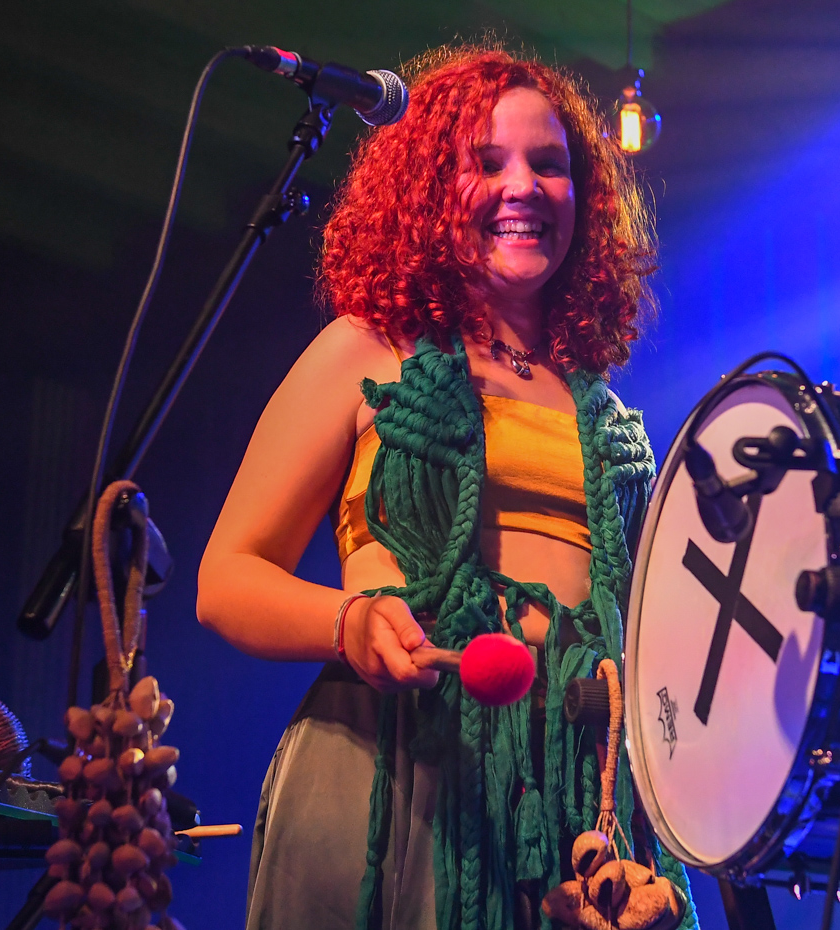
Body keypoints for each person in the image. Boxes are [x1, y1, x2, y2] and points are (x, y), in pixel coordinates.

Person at [197, 44, 692, 930]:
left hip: (578, 811)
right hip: (397, 778)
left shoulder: (612, 418)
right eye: (486, 162)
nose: (523, 186)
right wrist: (349, 624)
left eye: (549, 165)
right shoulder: (366, 351)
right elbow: (226, 580)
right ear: (428, 189)